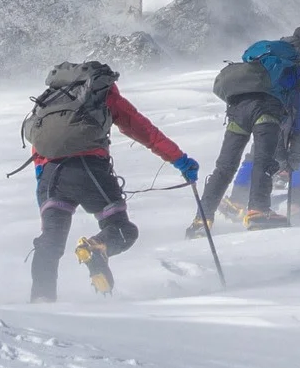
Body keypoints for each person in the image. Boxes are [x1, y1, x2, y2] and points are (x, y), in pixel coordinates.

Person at [24, 60, 197, 301]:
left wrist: (44, 194)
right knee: (122, 229)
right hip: (91, 172)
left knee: (50, 243)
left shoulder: (49, 100)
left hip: (52, 177)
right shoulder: (102, 94)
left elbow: (38, 149)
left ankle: (41, 303)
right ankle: (97, 246)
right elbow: (144, 131)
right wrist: (180, 161)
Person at [188, 34, 300, 233]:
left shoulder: (259, 67)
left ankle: (202, 218)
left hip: (237, 110)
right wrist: (295, 155)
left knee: (225, 166)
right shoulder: (299, 75)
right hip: (265, 112)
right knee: (264, 161)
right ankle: (258, 211)